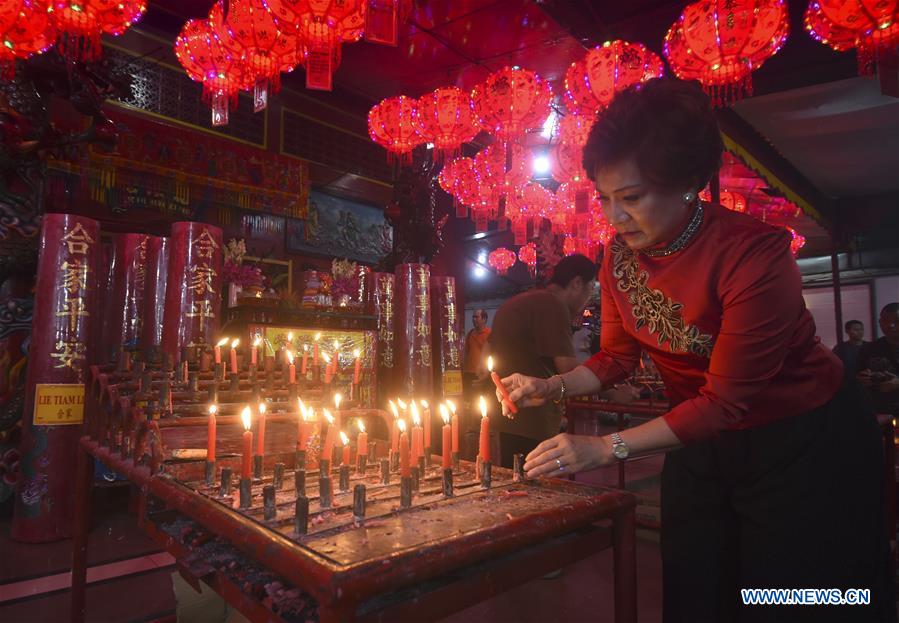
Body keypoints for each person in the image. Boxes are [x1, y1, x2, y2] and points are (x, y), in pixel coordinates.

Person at [499, 79, 892, 621]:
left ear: (688, 183)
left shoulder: (752, 253)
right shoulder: (620, 258)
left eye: (631, 198)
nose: (614, 217)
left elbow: (728, 400)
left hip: (800, 441)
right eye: (605, 198)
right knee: (696, 586)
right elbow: (616, 358)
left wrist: (605, 447)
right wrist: (552, 385)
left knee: (794, 595)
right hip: (700, 440)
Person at [488, 254, 595, 468]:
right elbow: (567, 368)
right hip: (530, 417)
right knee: (530, 489)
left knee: (512, 480)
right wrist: (612, 386)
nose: (590, 297)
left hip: (505, 412)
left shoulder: (521, 301)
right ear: (576, 283)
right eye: (591, 288)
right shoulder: (551, 304)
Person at [858, 303, 899, 416]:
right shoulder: (868, 349)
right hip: (879, 410)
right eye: (885, 321)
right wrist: (862, 379)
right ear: (880, 322)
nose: (890, 325)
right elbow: (857, 378)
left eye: (896, 321)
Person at [462, 309, 491, 394]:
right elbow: (466, 352)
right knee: (468, 398)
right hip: (468, 373)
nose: (474, 319)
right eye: (473, 317)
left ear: (484, 319)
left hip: (481, 374)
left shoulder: (490, 334)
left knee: (480, 398)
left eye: (476, 317)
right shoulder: (470, 333)